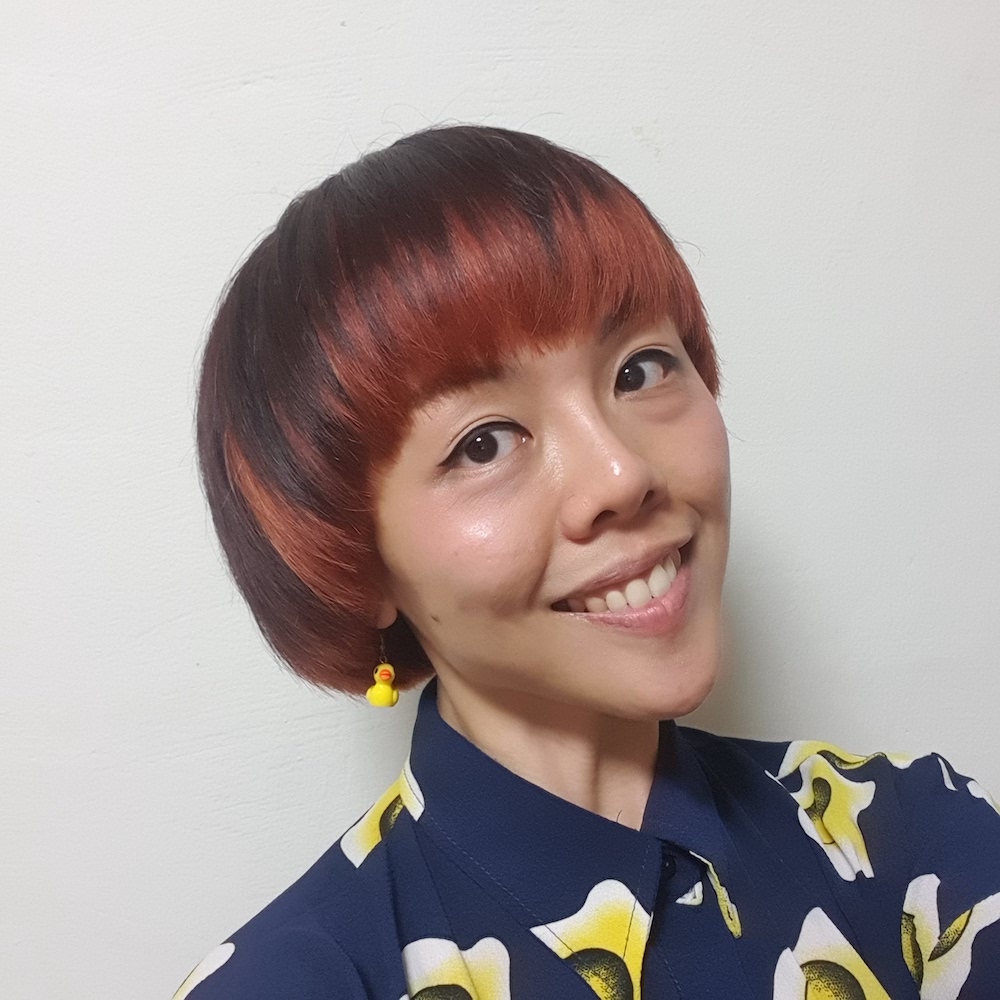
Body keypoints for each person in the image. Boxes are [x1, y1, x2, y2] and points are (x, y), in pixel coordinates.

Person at [173, 124, 1000, 999]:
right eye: (484, 442)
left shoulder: (909, 844)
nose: (623, 473)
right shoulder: (301, 980)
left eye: (641, 370)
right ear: (356, 564)